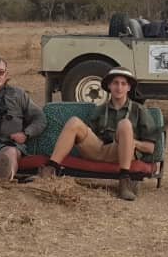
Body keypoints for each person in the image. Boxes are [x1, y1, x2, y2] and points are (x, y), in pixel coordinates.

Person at [35, 67, 158, 201]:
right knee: (74, 122)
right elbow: (90, 138)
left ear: (129, 88)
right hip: (99, 150)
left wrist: (132, 143)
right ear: (109, 86)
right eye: (115, 83)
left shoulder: (139, 110)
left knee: (125, 124)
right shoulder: (100, 110)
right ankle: (50, 169)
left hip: (122, 154)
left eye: (123, 84)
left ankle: (124, 181)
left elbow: (150, 148)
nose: (119, 87)